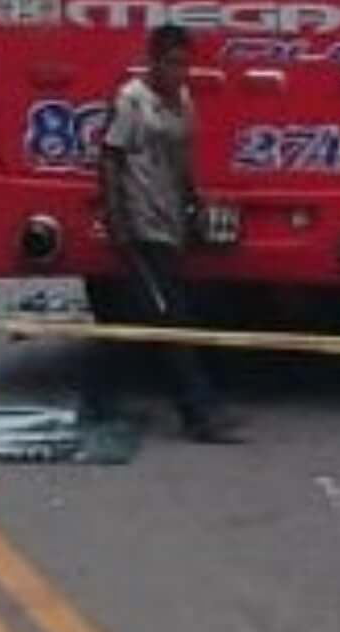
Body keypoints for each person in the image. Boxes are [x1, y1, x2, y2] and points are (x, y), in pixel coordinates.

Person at [87, 23, 242, 443]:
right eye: (172, 63)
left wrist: (194, 204)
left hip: (169, 219)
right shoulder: (132, 101)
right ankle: (197, 411)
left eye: (184, 64)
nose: (180, 72)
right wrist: (118, 223)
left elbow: (181, 159)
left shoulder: (182, 101)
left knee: (139, 315)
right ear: (153, 61)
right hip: (140, 224)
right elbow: (110, 159)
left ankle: (99, 398)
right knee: (171, 318)